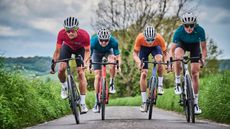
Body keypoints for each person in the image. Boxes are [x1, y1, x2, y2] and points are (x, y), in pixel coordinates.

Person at [169, 12, 207, 114]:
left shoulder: (200, 30)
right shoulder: (179, 31)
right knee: (177, 56)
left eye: (191, 25)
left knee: (195, 73)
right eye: (186, 25)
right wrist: (170, 62)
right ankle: (177, 82)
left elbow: (203, 49)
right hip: (182, 44)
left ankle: (195, 104)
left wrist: (203, 59)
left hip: (195, 46)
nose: (189, 28)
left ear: (195, 25)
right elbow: (171, 50)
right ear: (183, 25)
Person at [50, 16, 90, 113]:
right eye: (68, 31)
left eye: (72, 30)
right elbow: (57, 51)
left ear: (77, 29)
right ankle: (64, 86)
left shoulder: (84, 35)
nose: (70, 33)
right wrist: (53, 65)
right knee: (61, 69)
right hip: (67, 47)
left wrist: (85, 62)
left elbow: (87, 51)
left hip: (80, 49)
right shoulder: (61, 34)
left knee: (81, 73)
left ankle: (83, 103)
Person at [133, 25, 168, 112]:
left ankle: (160, 85)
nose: (150, 42)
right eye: (148, 39)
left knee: (159, 61)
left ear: (155, 37)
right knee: (143, 73)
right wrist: (139, 62)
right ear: (144, 37)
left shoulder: (159, 38)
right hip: (143, 50)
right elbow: (135, 54)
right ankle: (144, 102)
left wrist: (167, 64)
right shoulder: (139, 38)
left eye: (152, 39)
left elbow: (165, 54)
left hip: (156, 48)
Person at [90, 28, 121, 113]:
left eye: (106, 40)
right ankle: (96, 102)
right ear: (98, 39)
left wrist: (118, 66)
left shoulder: (114, 42)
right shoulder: (93, 41)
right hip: (96, 53)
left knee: (112, 61)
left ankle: (111, 83)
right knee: (97, 75)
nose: (103, 42)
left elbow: (118, 56)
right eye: (101, 40)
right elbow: (89, 55)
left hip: (108, 52)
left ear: (109, 39)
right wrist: (90, 65)